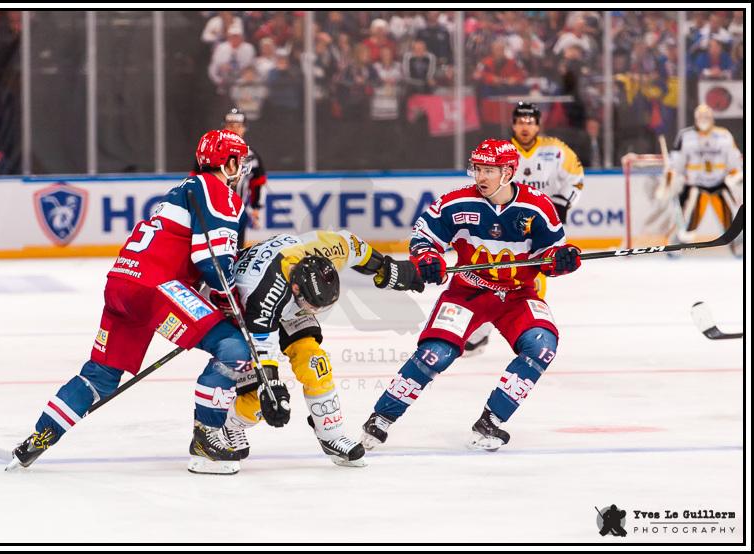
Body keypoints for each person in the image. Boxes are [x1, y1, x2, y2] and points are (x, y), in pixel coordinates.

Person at [8, 130, 290, 476]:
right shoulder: (220, 192)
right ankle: (205, 442)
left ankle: (40, 436)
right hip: (154, 289)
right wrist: (234, 306)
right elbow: (212, 263)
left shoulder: (184, 189)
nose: (242, 167)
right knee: (233, 348)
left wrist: (216, 299)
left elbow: (195, 260)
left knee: (100, 376)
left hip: (121, 285)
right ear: (228, 161)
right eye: (239, 160)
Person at [361, 138, 581, 452]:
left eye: (489, 169)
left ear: (508, 171)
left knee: (542, 347)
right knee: (435, 354)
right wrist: (427, 257)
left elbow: (551, 256)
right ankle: (381, 417)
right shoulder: (456, 202)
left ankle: (491, 420)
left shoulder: (538, 206)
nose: (480, 176)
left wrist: (563, 260)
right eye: (477, 168)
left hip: (518, 296)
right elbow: (424, 237)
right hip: (467, 291)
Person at [220, 230, 424, 468]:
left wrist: (386, 267)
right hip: (241, 312)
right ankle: (230, 424)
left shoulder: (326, 250)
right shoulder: (263, 292)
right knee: (258, 397)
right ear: (296, 289)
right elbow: (263, 343)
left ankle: (331, 435)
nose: (313, 313)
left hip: (284, 304)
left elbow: (352, 244)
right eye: (311, 306)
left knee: (316, 363)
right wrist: (270, 383)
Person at [463, 102, 584, 354]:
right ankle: (480, 331)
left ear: (538, 124)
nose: (525, 126)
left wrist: (561, 206)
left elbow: (576, 177)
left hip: (539, 228)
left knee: (530, 281)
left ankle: (528, 330)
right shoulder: (502, 153)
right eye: (520, 121)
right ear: (513, 124)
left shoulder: (557, 150)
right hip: (504, 229)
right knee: (492, 279)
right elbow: (479, 181)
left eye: (530, 122)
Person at [666, 104, 743, 256]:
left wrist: (734, 178)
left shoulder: (724, 135)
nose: (704, 119)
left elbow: (735, 163)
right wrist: (674, 175)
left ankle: (739, 247)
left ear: (712, 118)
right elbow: (676, 163)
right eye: (701, 116)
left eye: (707, 116)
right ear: (695, 118)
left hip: (719, 185)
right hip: (695, 187)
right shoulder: (685, 136)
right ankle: (676, 247)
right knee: (688, 221)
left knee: (730, 221)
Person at [192, 108, 267, 249]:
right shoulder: (210, 149)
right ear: (224, 126)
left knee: (236, 249)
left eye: (238, 126)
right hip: (210, 208)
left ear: (244, 128)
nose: (234, 129)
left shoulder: (251, 156)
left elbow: (258, 182)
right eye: (230, 125)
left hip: (238, 210)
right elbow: (196, 178)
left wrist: (256, 207)